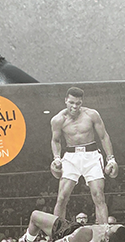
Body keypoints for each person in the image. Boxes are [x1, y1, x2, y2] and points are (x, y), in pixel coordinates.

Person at [50, 87, 117, 224]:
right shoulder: (58, 119)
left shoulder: (91, 114)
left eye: (78, 103)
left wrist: (111, 159)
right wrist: (56, 158)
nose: (74, 106)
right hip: (70, 157)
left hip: (91, 156)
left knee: (98, 195)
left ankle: (103, 231)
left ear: (82, 102)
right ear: (66, 101)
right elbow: (55, 140)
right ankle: (57, 232)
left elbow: (104, 136)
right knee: (62, 197)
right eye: (71, 103)